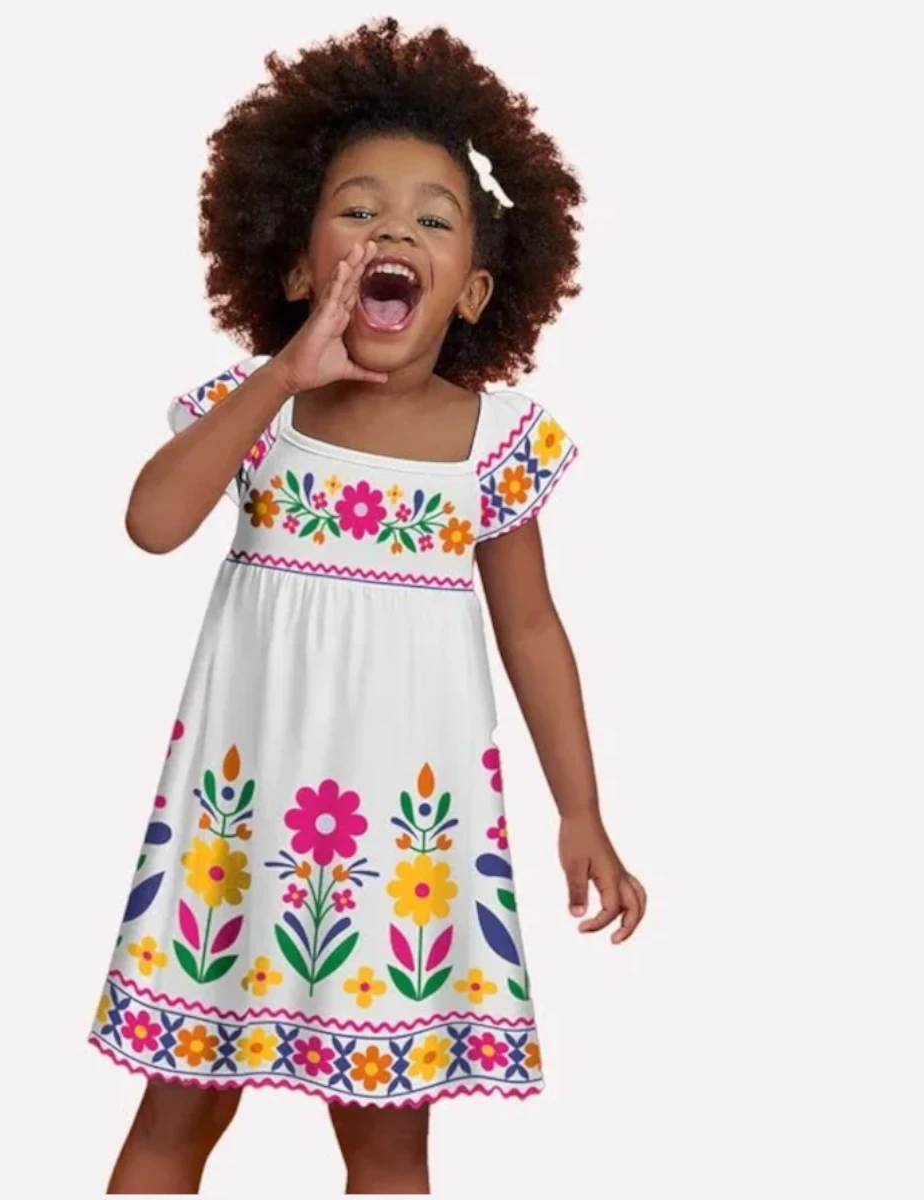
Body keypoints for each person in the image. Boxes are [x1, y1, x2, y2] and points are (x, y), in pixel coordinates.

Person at [88, 17, 646, 1195]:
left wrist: (581, 809)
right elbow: (152, 521)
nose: (394, 231)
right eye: (359, 209)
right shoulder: (260, 414)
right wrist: (282, 375)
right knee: (178, 1114)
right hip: (240, 843)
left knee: (389, 1143)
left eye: (434, 220)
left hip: (401, 857)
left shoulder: (492, 445)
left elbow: (531, 628)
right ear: (299, 267)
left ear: (475, 290)